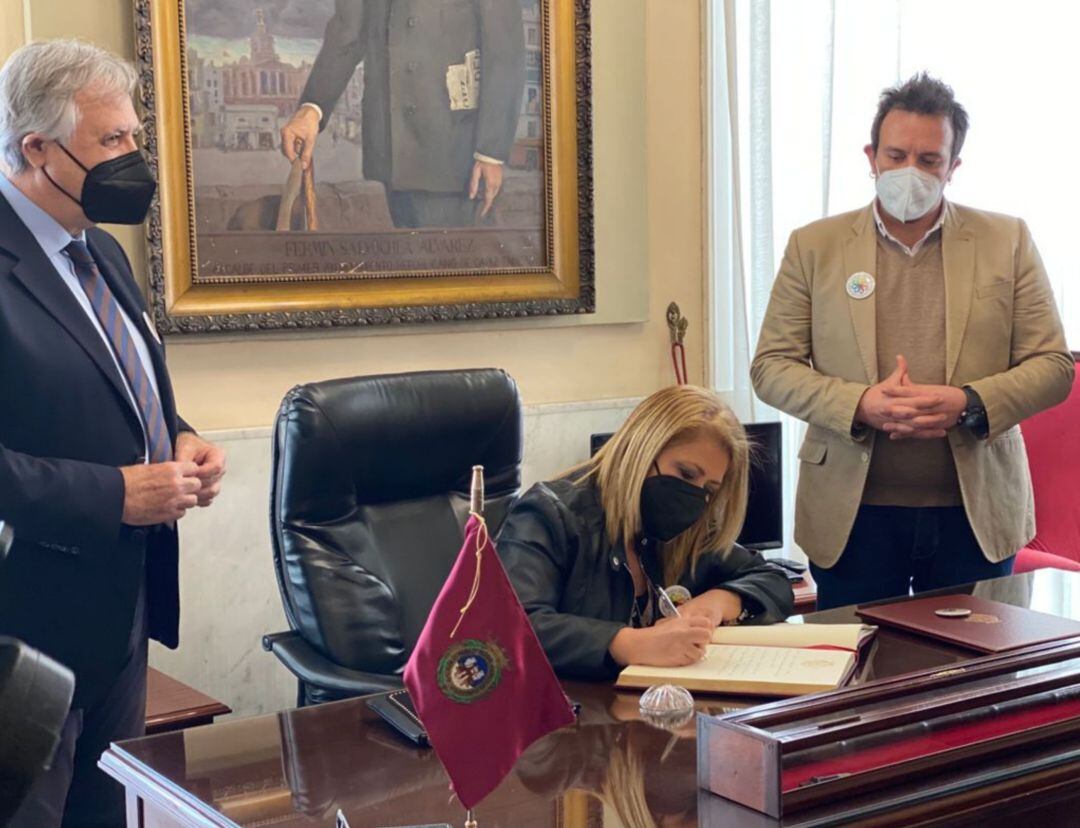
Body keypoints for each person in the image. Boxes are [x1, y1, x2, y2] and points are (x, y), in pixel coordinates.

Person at [0, 39, 226, 826]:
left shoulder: (100, 251)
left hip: (120, 615)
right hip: (23, 632)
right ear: (36, 148)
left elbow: (124, 390)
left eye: (135, 136)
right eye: (114, 141)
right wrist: (115, 494)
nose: (136, 159)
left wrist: (181, 439)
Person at [751, 73, 1074, 611]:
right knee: (858, 678)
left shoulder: (1007, 240)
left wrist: (969, 403)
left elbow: (1053, 365)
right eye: (896, 155)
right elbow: (772, 366)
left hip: (975, 516)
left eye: (928, 160)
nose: (910, 172)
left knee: (974, 682)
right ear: (871, 156)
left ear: (953, 167)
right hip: (852, 516)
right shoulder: (815, 245)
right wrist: (860, 403)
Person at [497, 386, 794, 679]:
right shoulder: (550, 514)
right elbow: (513, 628)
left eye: (708, 489)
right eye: (686, 474)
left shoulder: (689, 530)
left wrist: (719, 602)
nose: (693, 496)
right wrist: (629, 644)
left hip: (659, 710)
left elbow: (772, 579)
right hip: (570, 713)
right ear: (642, 450)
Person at [279, 0, 525, 228]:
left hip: (456, 153)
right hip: (390, 152)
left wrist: (491, 151)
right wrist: (312, 108)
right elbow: (348, 30)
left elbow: (504, 48)